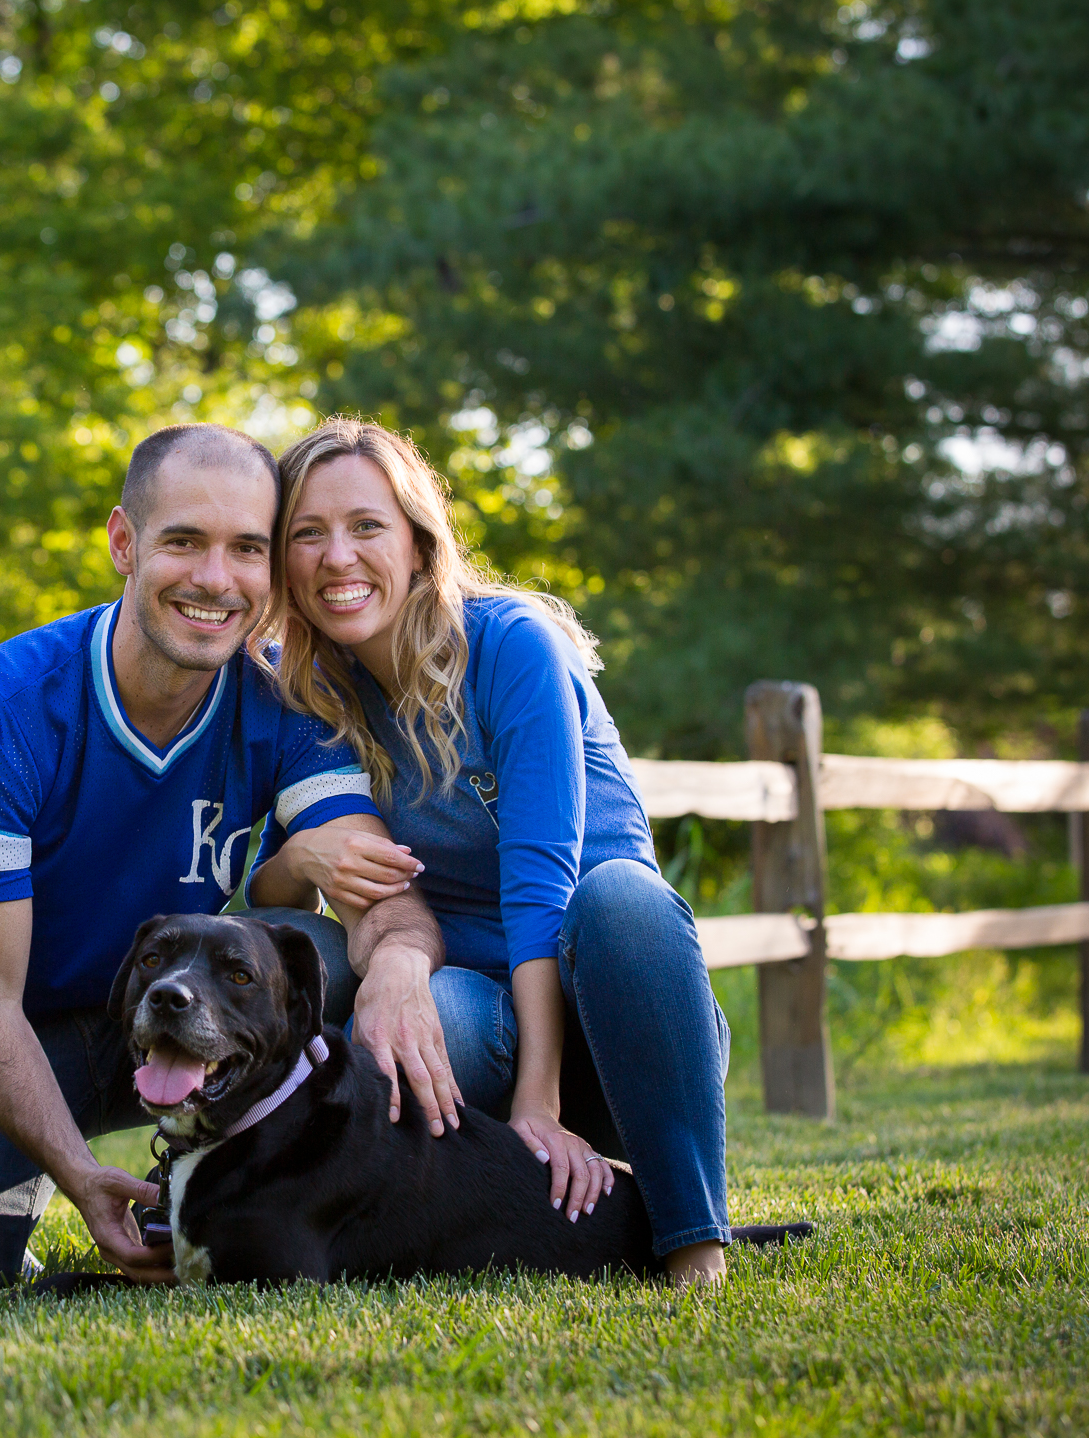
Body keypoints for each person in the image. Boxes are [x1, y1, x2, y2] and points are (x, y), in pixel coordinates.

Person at [0, 422, 458, 1284]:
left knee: (345, 987)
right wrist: (77, 1174)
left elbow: (377, 881)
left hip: (189, 1020)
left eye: (247, 550)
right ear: (125, 542)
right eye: (184, 541)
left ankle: (287, 1220)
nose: (216, 581)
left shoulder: (287, 703)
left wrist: (404, 961)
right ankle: (54, 1182)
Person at [261, 417, 735, 1286]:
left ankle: (692, 1243)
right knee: (321, 965)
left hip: (621, 1020)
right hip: (475, 1015)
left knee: (619, 897)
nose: (338, 557)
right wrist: (305, 863)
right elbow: (267, 889)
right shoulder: (307, 687)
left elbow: (543, 891)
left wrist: (540, 1106)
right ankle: (343, 1221)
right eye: (307, 534)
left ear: (417, 539)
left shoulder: (513, 644)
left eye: (366, 525)